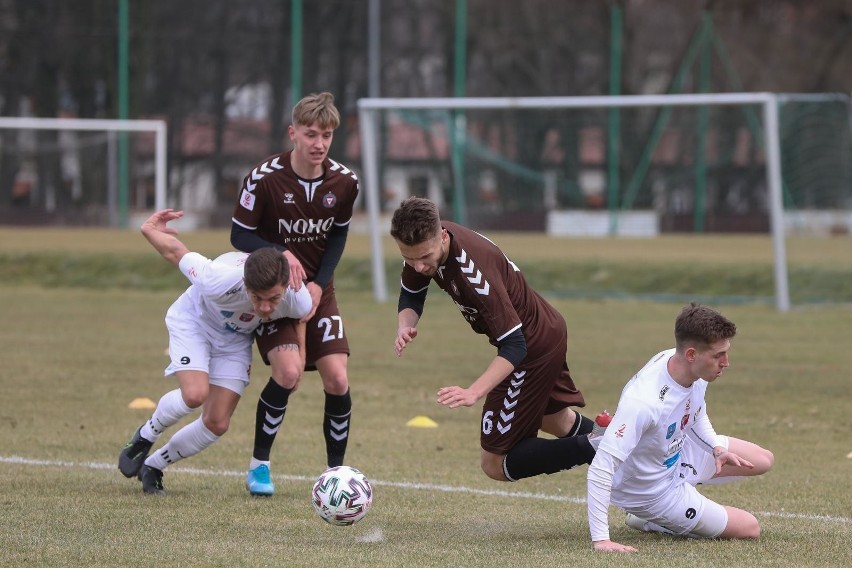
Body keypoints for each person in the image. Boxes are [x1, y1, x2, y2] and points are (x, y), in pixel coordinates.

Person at [390, 196, 602, 484]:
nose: (418, 266)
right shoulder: (427, 242)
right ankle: (630, 455)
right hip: (546, 330)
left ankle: (599, 446)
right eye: (408, 258)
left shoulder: (473, 275)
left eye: (424, 258)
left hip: (531, 347)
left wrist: (473, 392)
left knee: (495, 462)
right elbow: (412, 291)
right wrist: (405, 324)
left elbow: (515, 346)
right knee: (556, 420)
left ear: (442, 237)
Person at [118, 209, 311, 495]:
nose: (266, 307)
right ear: (245, 283)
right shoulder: (218, 279)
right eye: (257, 298)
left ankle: (154, 465)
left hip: (234, 341)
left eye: (274, 299)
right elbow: (176, 252)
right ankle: (146, 436)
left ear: (285, 287)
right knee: (194, 394)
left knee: (217, 423)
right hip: (194, 323)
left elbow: (301, 318)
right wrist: (149, 230)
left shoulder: (297, 297)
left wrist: (301, 360)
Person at [231, 91, 359, 496]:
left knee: (337, 379)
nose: (319, 143)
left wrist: (320, 282)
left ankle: (335, 475)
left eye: (326, 135)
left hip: (321, 288)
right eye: (310, 134)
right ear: (293, 133)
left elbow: (338, 234)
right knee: (286, 374)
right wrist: (281, 253)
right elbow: (239, 234)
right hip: (273, 292)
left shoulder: (346, 182)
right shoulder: (263, 177)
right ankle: (259, 467)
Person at [587, 303, 774, 553]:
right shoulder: (644, 402)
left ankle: (689, 488)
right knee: (750, 528)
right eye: (718, 356)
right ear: (691, 354)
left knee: (764, 460)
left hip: (677, 454)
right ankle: (651, 520)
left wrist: (716, 448)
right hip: (652, 491)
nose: (726, 363)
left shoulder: (690, 368)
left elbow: (695, 412)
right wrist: (601, 540)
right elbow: (601, 469)